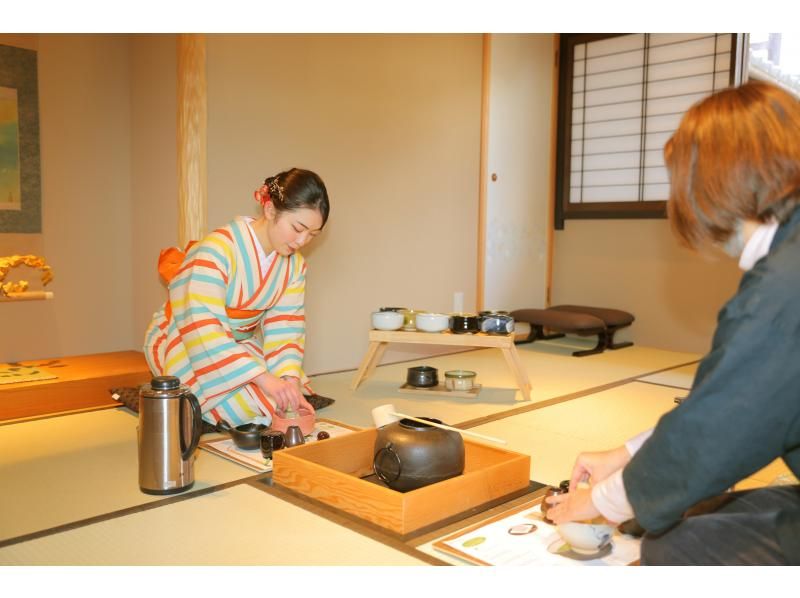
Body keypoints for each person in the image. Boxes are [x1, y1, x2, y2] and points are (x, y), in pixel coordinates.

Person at [546, 81, 800, 565]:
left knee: (679, 546)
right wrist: (626, 455)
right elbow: (733, 401)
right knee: (695, 520)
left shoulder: (782, 291)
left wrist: (596, 502)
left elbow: (715, 434)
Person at [143, 167, 330, 428]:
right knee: (243, 409)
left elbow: (286, 327)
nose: (302, 241)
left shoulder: (294, 266)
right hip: (187, 338)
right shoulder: (216, 250)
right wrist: (263, 378)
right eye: (297, 228)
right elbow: (201, 325)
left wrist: (288, 378)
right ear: (271, 210)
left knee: (281, 401)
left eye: (312, 235)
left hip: (236, 344)